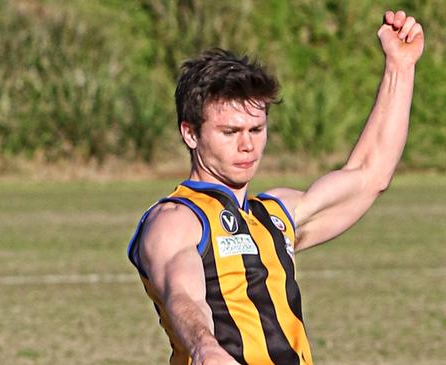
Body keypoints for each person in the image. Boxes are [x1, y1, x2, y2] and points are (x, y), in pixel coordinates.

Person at [127, 9, 424, 365]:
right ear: (190, 133)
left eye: (256, 130)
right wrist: (205, 347)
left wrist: (400, 66)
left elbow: (370, 173)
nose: (247, 145)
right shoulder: (176, 220)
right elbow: (183, 295)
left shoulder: (275, 215)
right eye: (229, 133)